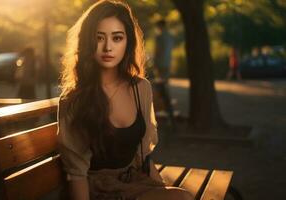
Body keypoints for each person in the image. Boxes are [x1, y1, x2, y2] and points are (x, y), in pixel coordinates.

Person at [58, 1, 192, 200]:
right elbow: (77, 174)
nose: (108, 47)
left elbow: (144, 156)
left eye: (117, 38)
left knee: (182, 197)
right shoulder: (74, 100)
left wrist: (161, 190)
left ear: (128, 42)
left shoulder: (141, 89)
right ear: (87, 42)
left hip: (132, 182)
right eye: (99, 38)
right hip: (98, 189)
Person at [153, 19, 176, 132]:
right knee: (165, 83)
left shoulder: (159, 37)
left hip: (160, 63)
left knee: (160, 84)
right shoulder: (170, 36)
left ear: (160, 26)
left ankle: (164, 103)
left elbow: (158, 51)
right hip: (167, 62)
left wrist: (155, 64)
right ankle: (167, 103)